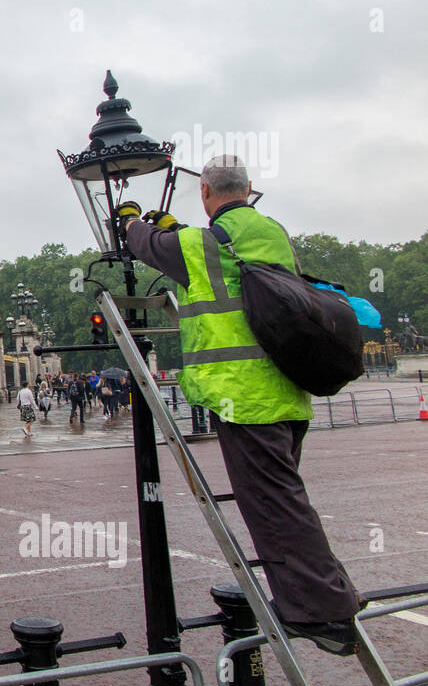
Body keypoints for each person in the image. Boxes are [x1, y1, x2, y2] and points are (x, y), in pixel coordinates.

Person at [120, 154, 362, 655]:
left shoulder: (198, 244)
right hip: (290, 390)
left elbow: (149, 245)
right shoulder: (272, 232)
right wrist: (174, 225)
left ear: (206, 194)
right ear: (249, 190)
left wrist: (129, 220)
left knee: (276, 510)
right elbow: (214, 248)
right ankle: (321, 598)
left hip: (243, 397)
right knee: (286, 501)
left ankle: (324, 612)